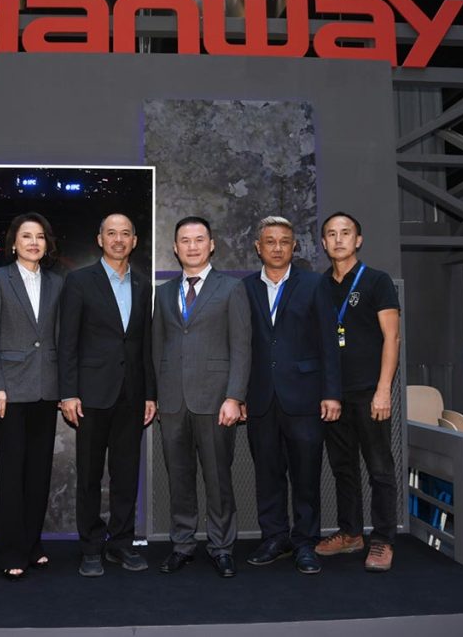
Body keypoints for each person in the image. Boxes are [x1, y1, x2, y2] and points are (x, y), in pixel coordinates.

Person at [58, 213, 157, 578]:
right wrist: (68, 393)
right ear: (100, 239)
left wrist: (149, 394)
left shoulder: (143, 284)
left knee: (126, 474)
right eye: (111, 233)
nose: (118, 239)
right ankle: (90, 547)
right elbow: (67, 341)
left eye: (125, 234)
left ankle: (121, 542)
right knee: (88, 475)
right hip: (90, 395)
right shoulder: (79, 281)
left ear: (134, 241)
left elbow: (144, 343)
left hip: (132, 394)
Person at [152, 217, 251, 578]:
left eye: (199, 240)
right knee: (178, 478)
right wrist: (156, 396)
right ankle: (182, 545)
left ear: (211, 245)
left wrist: (235, 396)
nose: (192, 246)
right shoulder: (164, 292)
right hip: (172, 401)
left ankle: (222, 547)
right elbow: (157, 348)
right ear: (175, 247)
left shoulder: (231, 288)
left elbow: (242, 347)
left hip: (216, 400)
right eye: (185, 240)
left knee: (217, 478)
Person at [242, 216, 341, 574]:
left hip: (305, 397)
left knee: (306, 475)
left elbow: (329, 342)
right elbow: (241, 346)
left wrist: (332, 393)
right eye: (270, 241)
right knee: (267, 474)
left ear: (294, 246)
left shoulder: (314, 284)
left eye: (285, 241)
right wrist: (238, 395)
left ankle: (305, 543)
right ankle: (274, 538)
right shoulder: (245, 288)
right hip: (260, 397)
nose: (278, 247)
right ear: (258, 247)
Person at [315, 211, 401, 572]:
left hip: (369, 393)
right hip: (334, 395)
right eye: (331, 234)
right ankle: (351, 533)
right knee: (343, 468)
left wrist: (383, 390)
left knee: (379, 469)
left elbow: (392, 338)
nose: (338, 239)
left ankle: (383, 539)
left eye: (345, 233)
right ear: (323, 243)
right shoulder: (319, 285)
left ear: (358, 240)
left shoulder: (377, 281)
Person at [0, 213, 63, 581]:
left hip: (46, 389)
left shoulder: (57, 283)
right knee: (13, 474)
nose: (33, 242)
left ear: (47, 244)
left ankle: (32, 544)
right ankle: (9, 551)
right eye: (26, 236)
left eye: (40, 236)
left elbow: (60, 338)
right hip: (10, 392)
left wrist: (65, 388)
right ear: (13, 243)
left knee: (39, 473)